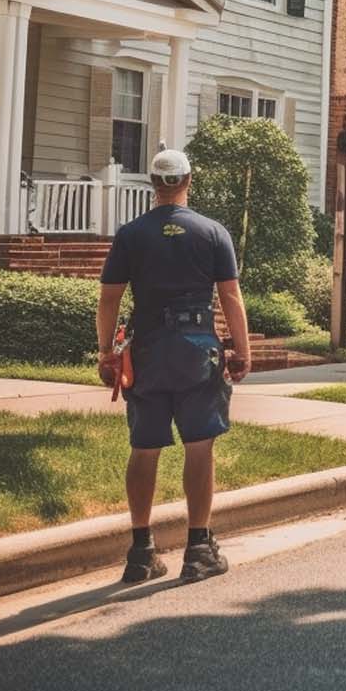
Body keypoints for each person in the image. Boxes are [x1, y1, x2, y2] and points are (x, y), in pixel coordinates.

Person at [97, 148, 252, 583]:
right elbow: (230, 297)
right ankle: (199, 548)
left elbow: (109, 298)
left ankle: (141, 551)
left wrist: (106, 351)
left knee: (144, 447)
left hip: (146, 347)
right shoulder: (212, 232)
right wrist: (242, 351)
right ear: (187, 180)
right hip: (196, 347)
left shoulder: (130, 235)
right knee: (199, 444)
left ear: (152, 182)